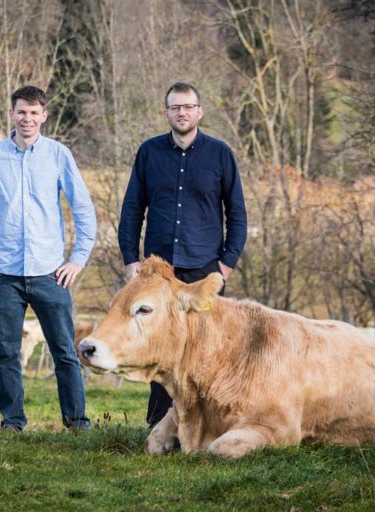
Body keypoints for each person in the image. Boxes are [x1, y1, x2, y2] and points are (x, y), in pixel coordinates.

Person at [0, 85, 96, 432]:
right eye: (21, 112)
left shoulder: (59, 155)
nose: (27, 118)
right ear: (11, 115)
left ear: (44, 116)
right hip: (3, 275)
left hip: (51, 274)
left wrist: (77, 259)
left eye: (34, 113)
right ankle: (12, 423)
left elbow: (83, 210)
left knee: (64, 351)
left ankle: (77, 423)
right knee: (6, 354)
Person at [118, 82, 248, 427]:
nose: (182, 113)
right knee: (162, 348)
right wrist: (132, 260)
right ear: (166, 113)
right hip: (160, 273)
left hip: (205, 270)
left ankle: (210, 426)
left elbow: (237, 213)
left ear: (199, 111)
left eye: (188, 107)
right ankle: (159, 425)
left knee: (211, 351)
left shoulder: (220, 154)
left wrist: (226, 265)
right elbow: (132, 209)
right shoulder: (149, 152)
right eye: (175, 108)